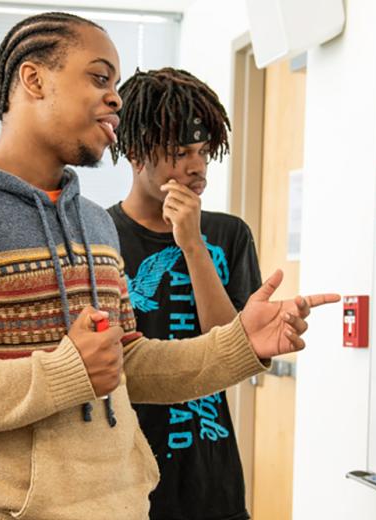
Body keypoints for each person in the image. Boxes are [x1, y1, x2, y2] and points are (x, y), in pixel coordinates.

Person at [0, 12, 339, 520]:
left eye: (115, 83)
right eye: (98, 78)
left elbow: (126, 364)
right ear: (34, 79)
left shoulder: (94, 225)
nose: (115, 97)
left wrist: (238, 345)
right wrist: (65, 372)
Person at [108, 67, 258, 520]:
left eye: (203, 153)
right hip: (124, 485)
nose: (197, 167)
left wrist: (192, 244)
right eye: (179, 153)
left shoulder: (226, 235)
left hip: (212, 485)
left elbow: (231, 346)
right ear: (135, 153)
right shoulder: (98, 236)